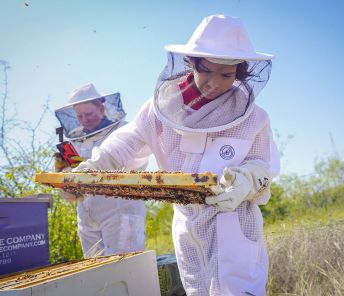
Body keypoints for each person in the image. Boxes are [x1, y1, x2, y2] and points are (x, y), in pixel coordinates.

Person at [71, 15, 279, 295]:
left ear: (240, 73)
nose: (214, 83)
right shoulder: (160, 108)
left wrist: (246, 181)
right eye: (206, 70)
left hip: (234, 225)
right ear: (190, 63)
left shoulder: (254, 118)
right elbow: (128, 142)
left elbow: (263, 167)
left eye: (226, 74)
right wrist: (92, 167)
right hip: (188, 225)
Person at [54, 83, 148, 257]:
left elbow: (127, 163)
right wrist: (64, 173)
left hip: (120, 208)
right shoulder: (77, 140)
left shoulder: (123, 131)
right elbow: (72, 172)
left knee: (124, 268)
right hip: (86, 213)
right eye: (80, 116)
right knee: (94, 271)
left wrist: (87, 171)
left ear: (102, 107)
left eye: (88, 114)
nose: (85, 119)